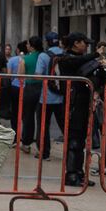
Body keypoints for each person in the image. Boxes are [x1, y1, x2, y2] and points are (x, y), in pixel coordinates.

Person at [56, 32, 106, 187]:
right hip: (72, 104)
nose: (86, 46)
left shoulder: (83, 60)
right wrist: (96, 56)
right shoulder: (65, 59)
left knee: (81, 140)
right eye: (84, 43)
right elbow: (78, 62)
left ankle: (79, 173)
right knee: (74, 140)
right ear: (76, 43)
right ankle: (71, 174)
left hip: (84, 103)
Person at [33, 32, 66, 160]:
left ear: (47, 42)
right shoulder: (65, 54)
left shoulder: (43, 55)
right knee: (65, 125)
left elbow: (38, 75)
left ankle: (44, 152)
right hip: (62, 96)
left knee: (43, 125)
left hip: (46, 97)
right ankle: (70, 152)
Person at [13, 36, 43, 151]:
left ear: (32, 46)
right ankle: (42, 145)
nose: (26, 46)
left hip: (30, 88)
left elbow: (20, 75)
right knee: (42, 117)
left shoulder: (25, 59)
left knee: (28, 116)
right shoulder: (44, 56)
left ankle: (26, 143)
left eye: (28, 44)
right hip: (43, 88)